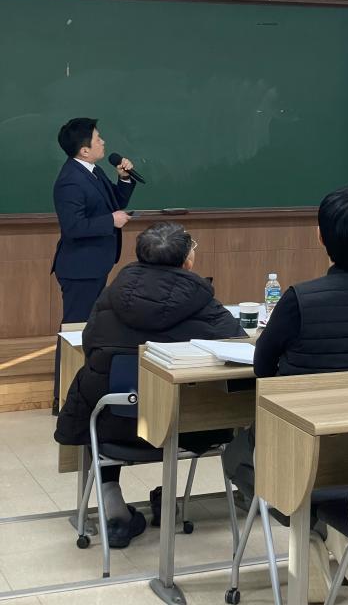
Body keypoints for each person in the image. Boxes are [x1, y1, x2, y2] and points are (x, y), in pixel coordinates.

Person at [223, 185, 348, 600]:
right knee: (326, 465)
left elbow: (262, 369)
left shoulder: (300, 300)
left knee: (237, 456)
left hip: (302, 450)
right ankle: (333, 530)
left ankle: (309, 534)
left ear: (320, 236)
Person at [55, 221, 246, 548]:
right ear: (187, 262)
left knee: (96, 397)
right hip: (182, 427)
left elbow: (90, 345)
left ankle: (112, 503)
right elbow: (236, 346)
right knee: (226, 403)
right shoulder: (202, 302)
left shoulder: (111, 295)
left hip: (114, 426)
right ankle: (172, 499)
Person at [51, 118, 137, 413]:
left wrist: (123, 179)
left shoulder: (93, 171)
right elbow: (73, 227)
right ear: (84, 150)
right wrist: (110, 221)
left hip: (95, 264)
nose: (103, 142)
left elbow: (114, 203)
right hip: (79, 268)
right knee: (74, 331)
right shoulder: (70, 180)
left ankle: (81, 392)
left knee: (88, 328)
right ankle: (63, 398)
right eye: (98, 139)